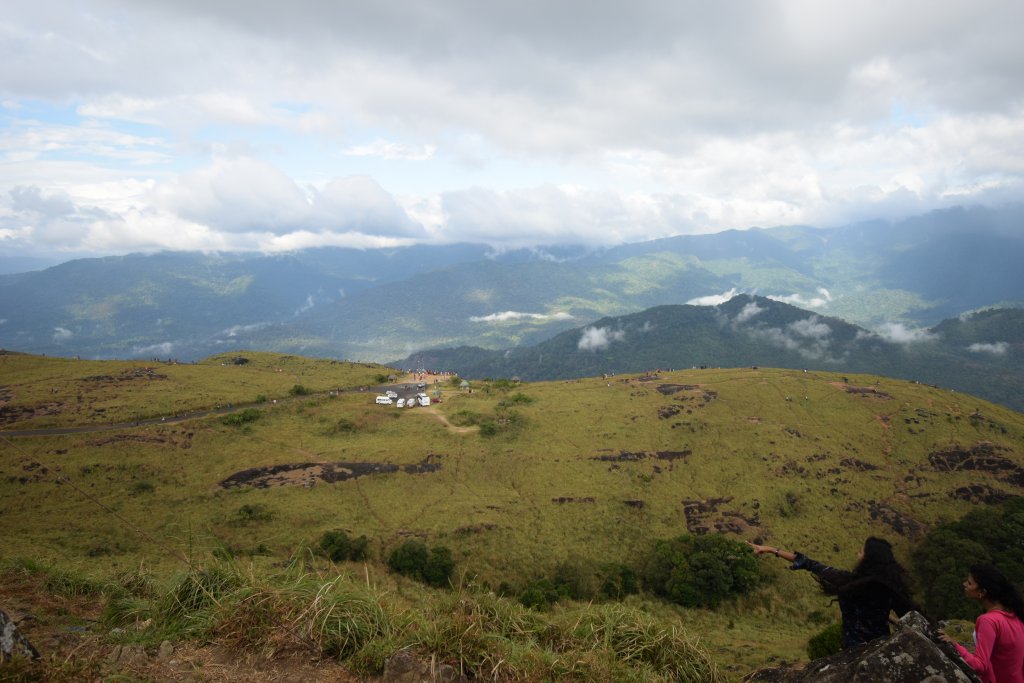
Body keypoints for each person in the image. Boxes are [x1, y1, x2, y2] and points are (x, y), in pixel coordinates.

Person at [747, 537, 917, 648]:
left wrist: (770, 550)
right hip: (881, 650)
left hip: (852, 652)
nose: (858, 553)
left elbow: (809, 564)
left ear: (868, 559)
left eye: (861, 551)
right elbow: (914, 616)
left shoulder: (848, 581)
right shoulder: (889, 589)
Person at [940, 564, 1024, 683]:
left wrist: (954, 644)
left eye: (969, 583)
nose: (964, 584)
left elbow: (980, 665)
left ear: (982, 592)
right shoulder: (1016, 615)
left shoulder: (988, 621)